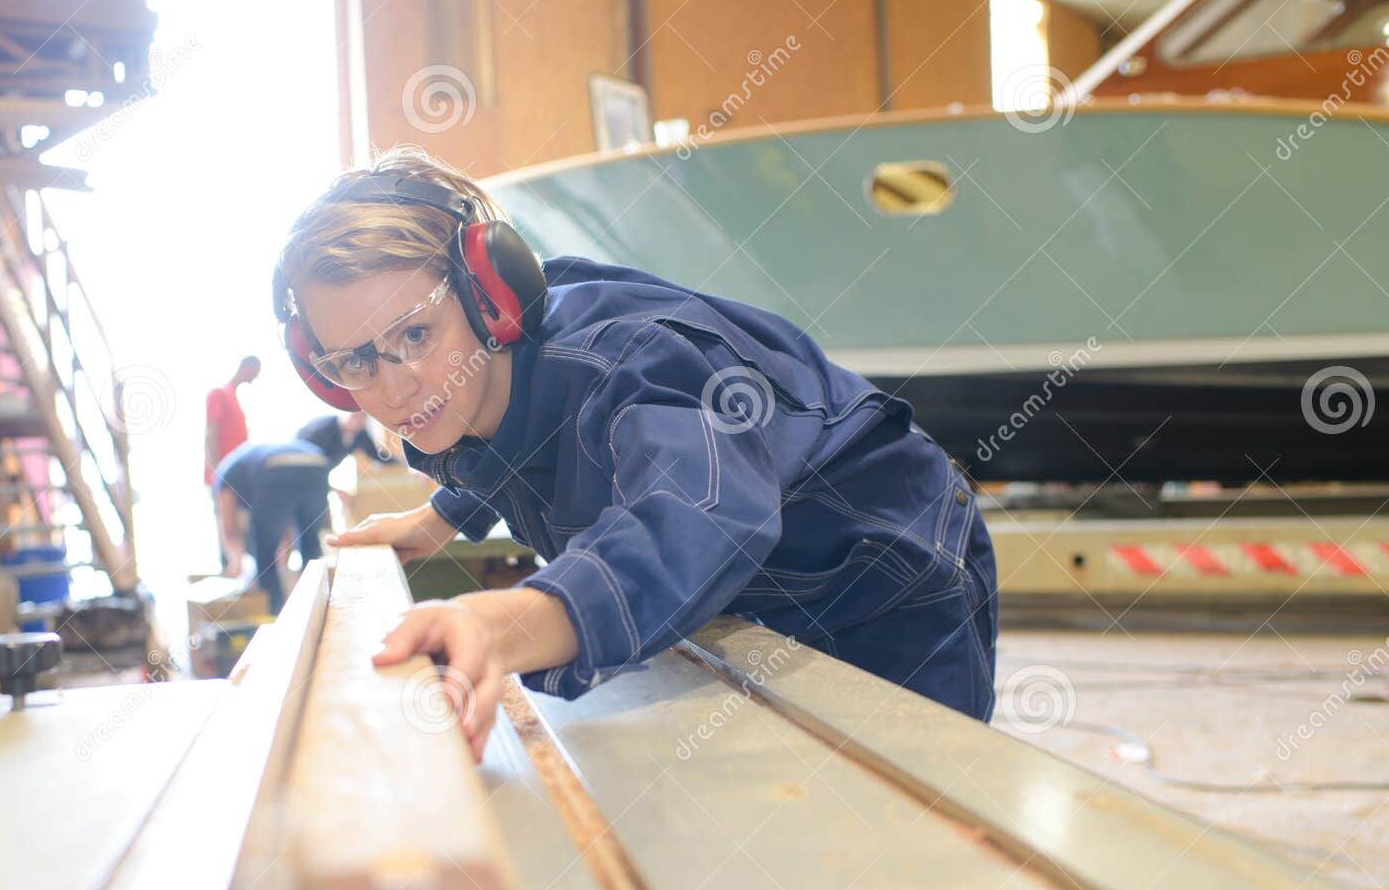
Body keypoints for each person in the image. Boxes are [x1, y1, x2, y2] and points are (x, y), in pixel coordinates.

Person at [271, 146, 998, 758]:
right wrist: (434, 520)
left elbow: (696, 513)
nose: (396, 388)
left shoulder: (630, 360)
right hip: (764, 587)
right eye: (354, 363)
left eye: (416, 336)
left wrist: (503, 624)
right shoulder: (471, 387)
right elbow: (513, 446)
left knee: (917, 804)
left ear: (489, 292)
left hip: (886, 563)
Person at [212, 437, 331, 614]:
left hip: (275, 468)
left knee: (264, 556)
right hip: (317, 464)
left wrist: (235, 563)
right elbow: (287, 521)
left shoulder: (222, 478)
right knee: (311, 548)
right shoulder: (245, 462)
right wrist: (284, 555)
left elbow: (229, 529)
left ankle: (277, 620)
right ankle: (319, 613)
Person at [204, 355, 260, 484]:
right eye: (256, 370)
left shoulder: (233, 397)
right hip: (223, 474)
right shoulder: (219, 394)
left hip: (233, 472)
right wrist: (217, 473)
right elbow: (210, 434)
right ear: (246, 367)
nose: (257, 375)